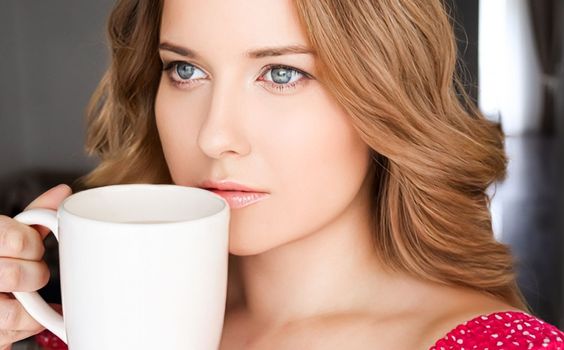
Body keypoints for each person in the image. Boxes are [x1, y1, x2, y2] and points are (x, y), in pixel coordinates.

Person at [1, 0, 563, 349]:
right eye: (186, 69)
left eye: (282, 74)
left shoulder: (495, 347)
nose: (214, 136)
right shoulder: (82, 329)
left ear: (385, 96)